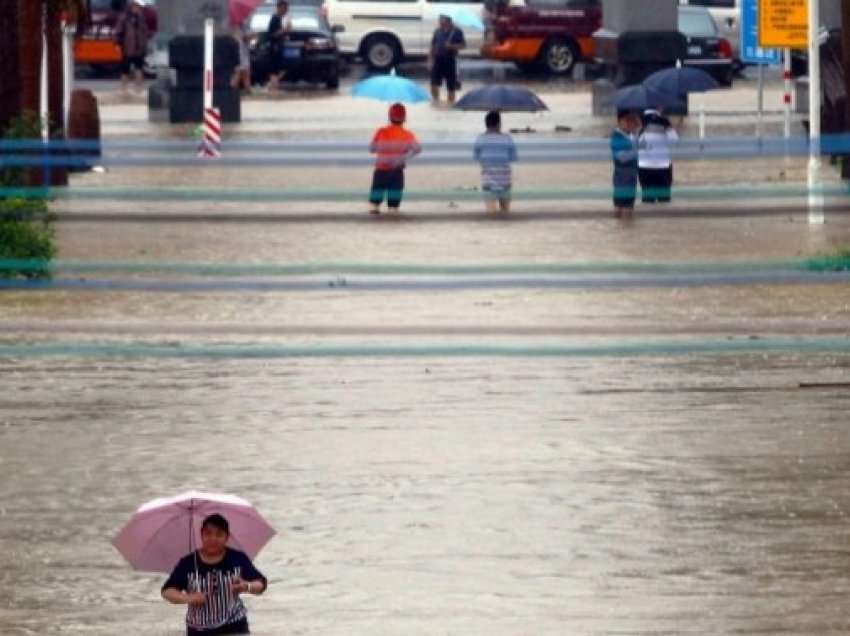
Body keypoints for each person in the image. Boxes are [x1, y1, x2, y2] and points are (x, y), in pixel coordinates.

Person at [162, 514, 267, 635]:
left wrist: (247, 586)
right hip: (199, 629)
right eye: (208, 534)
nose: (213, 539)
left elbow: (261, 584)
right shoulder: (188, 563)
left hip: (234, 624)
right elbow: (168, 591)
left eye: (219, 534)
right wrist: (189, 598)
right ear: (201, 535)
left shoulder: (237, 558)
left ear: (227, 537)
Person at [368, 102, 421, 214]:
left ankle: (375, 205)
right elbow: (417, 149)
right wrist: (404, 158)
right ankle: (393, 207)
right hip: (396, 171)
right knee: (395, 194)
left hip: (380, 171)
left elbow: (371, 149)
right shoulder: (407, 134)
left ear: (389, 117)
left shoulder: (381, 131)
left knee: (377, 191)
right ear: (404, 118)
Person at [473, 110, 517, 214]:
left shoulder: (480, 139)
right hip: (505, 180)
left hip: (488, 180)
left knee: (491, 214)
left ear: (486, 124)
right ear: (499, 123)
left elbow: (477, 158)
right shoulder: (507, 138)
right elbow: (513, 158)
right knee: (505, 213)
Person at [637, 107, 678, 203]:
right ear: (659, 107)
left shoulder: (638, 121)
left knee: (647, 200)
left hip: (644, 166)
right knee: (664, 200)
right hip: (662, 166)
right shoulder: (664, 121)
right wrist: (669, 127)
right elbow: (674, 141)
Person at [114, 0, 150, 95]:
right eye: (136, 7)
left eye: (139, 7)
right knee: (125, 69)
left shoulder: (141, 18)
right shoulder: (124, 18)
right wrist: (117, 44)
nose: (138, 9)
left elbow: (145, 31)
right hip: (127, 48)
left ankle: (138, 89)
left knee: (139, 68)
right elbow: (118, 32)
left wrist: (145, 43)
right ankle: (124, 89)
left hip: (139, 48)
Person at [429, 15, 465, 105]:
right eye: (439, 19)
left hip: (450, 60)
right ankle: (436, 102)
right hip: (438, 59)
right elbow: (433, 46)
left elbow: (463, 45)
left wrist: (451, 46)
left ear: (448, 20)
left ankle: (450, 104)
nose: (439, 21)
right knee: (433, 84)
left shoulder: (457, 31)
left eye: (441, 19)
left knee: (451, 87)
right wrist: (430, 59)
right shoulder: (437, 31)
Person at [610, 110, 640, 219]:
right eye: (626, 121)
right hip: (621, 176)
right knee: (620, 206)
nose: (630, 123)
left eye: (631, 121)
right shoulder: (616, 136)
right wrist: (637, 151)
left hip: (631, 175)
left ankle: (625, 233)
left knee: (629, 206)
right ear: (620, 122)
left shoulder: (632, 135)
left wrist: (637, 129)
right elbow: (621, 157)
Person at [266, 0, 292, 90]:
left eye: (287, 9)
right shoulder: (275, 18)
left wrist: (287, 31)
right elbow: (272, 34)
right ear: (280, 8)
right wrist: (284, 30)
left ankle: (272, 86)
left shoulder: (280, 18)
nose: (286, 11)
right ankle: (272, 86)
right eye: (285, 8)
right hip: (274, 47)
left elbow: (281, 33)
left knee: (281, 68)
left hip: (279, 46)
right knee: (275, 69)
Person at [231, 21, 252, 94]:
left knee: (244, 73)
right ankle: (232, 91)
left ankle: (247, 90)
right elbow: (245, 38)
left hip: (241, 52)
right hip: (241, 53)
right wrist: (252, 36)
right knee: (240, 73)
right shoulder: (239, 27)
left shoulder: (234, 27)